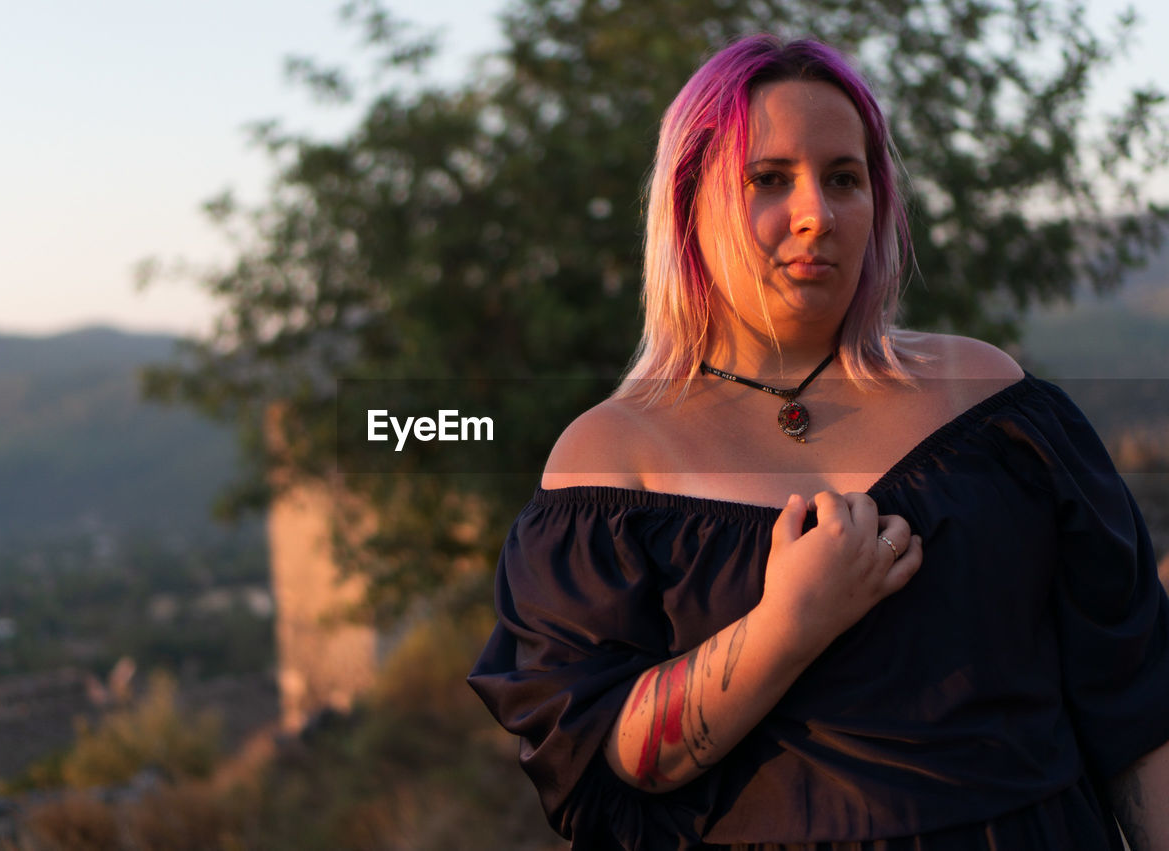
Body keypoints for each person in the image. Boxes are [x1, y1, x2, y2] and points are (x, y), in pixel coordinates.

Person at [468, 34, 1169, 851]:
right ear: (690, 204)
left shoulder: (993, 404)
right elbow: (604, 755)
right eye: (769, 179)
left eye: (845, 178)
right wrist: (788, 624)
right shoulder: (611, 462)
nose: (818, 214)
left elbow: (1136, 696)